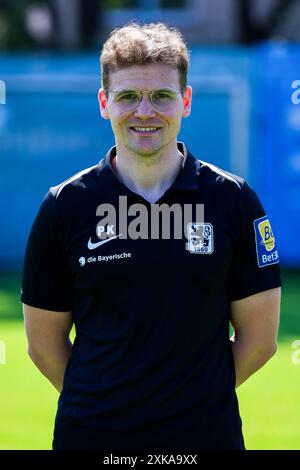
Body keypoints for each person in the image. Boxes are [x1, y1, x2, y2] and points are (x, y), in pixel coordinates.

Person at [22, 22, 281, 451]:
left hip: (203, 441)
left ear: (186, 101)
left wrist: (189, 400)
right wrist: (108, 403)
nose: (145, 111)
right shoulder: (64, 207)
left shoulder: (234, 202)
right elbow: (42, 344)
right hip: (92, 440)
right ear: (105, 103)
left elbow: (260, 340)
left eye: (161, 95)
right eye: (127, 97)